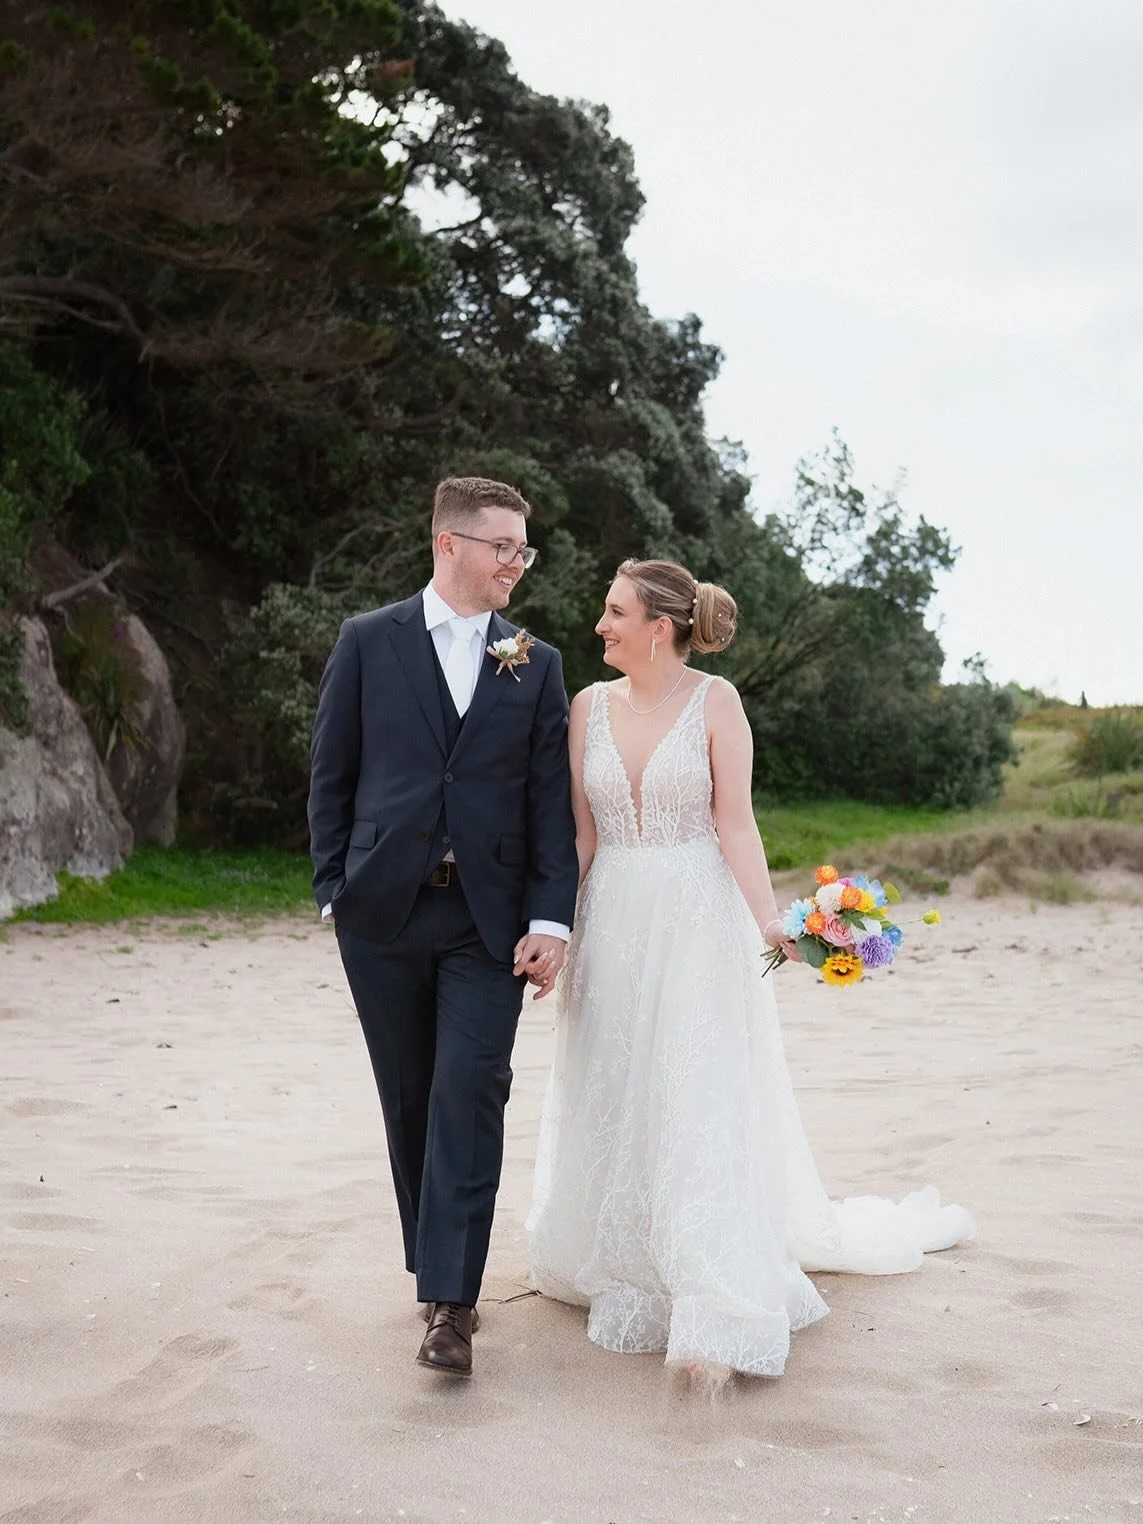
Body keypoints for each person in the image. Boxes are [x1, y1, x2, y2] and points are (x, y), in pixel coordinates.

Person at [528, 558, 974, 1378]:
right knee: (611, 1078)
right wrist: (553, 926)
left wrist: (772, 920)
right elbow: (581, 837)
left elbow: (735, 823)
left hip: (698, 920)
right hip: (611, 916)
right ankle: (621, 1251)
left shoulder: (714, 701)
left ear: (658, 627)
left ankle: (709, 1279)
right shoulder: (585, 708)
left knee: (691, 1088)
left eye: (614, 612)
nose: (600, 625)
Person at [308, 476, 578, 1378]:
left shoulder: (534, 661)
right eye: (502, 546)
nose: (516, 563)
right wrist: (332, 889)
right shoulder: (366, 641)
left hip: (486, 921)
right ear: (448, 545)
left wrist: (550, 918)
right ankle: (436, 1269)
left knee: (471, 1088)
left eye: (522, 549)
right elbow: (330, 772)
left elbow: (549, 802)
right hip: (380, 910)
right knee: (410, 1094)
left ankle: (451, 1306)